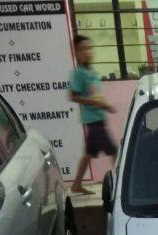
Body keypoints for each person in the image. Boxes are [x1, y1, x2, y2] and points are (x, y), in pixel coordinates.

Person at [69, 34, 117, 194]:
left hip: (99, 118)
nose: (87, 52)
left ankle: (76, 185)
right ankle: (120, 183)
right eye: (83, 49)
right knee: (114, 151)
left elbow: (96, 94)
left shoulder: (92, 72)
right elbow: (73, 96)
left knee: (89, 153)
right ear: (76, 53)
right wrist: (98, 103)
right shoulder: (79, 73)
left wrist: (106, 106)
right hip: (93, 121)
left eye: (89, 48)